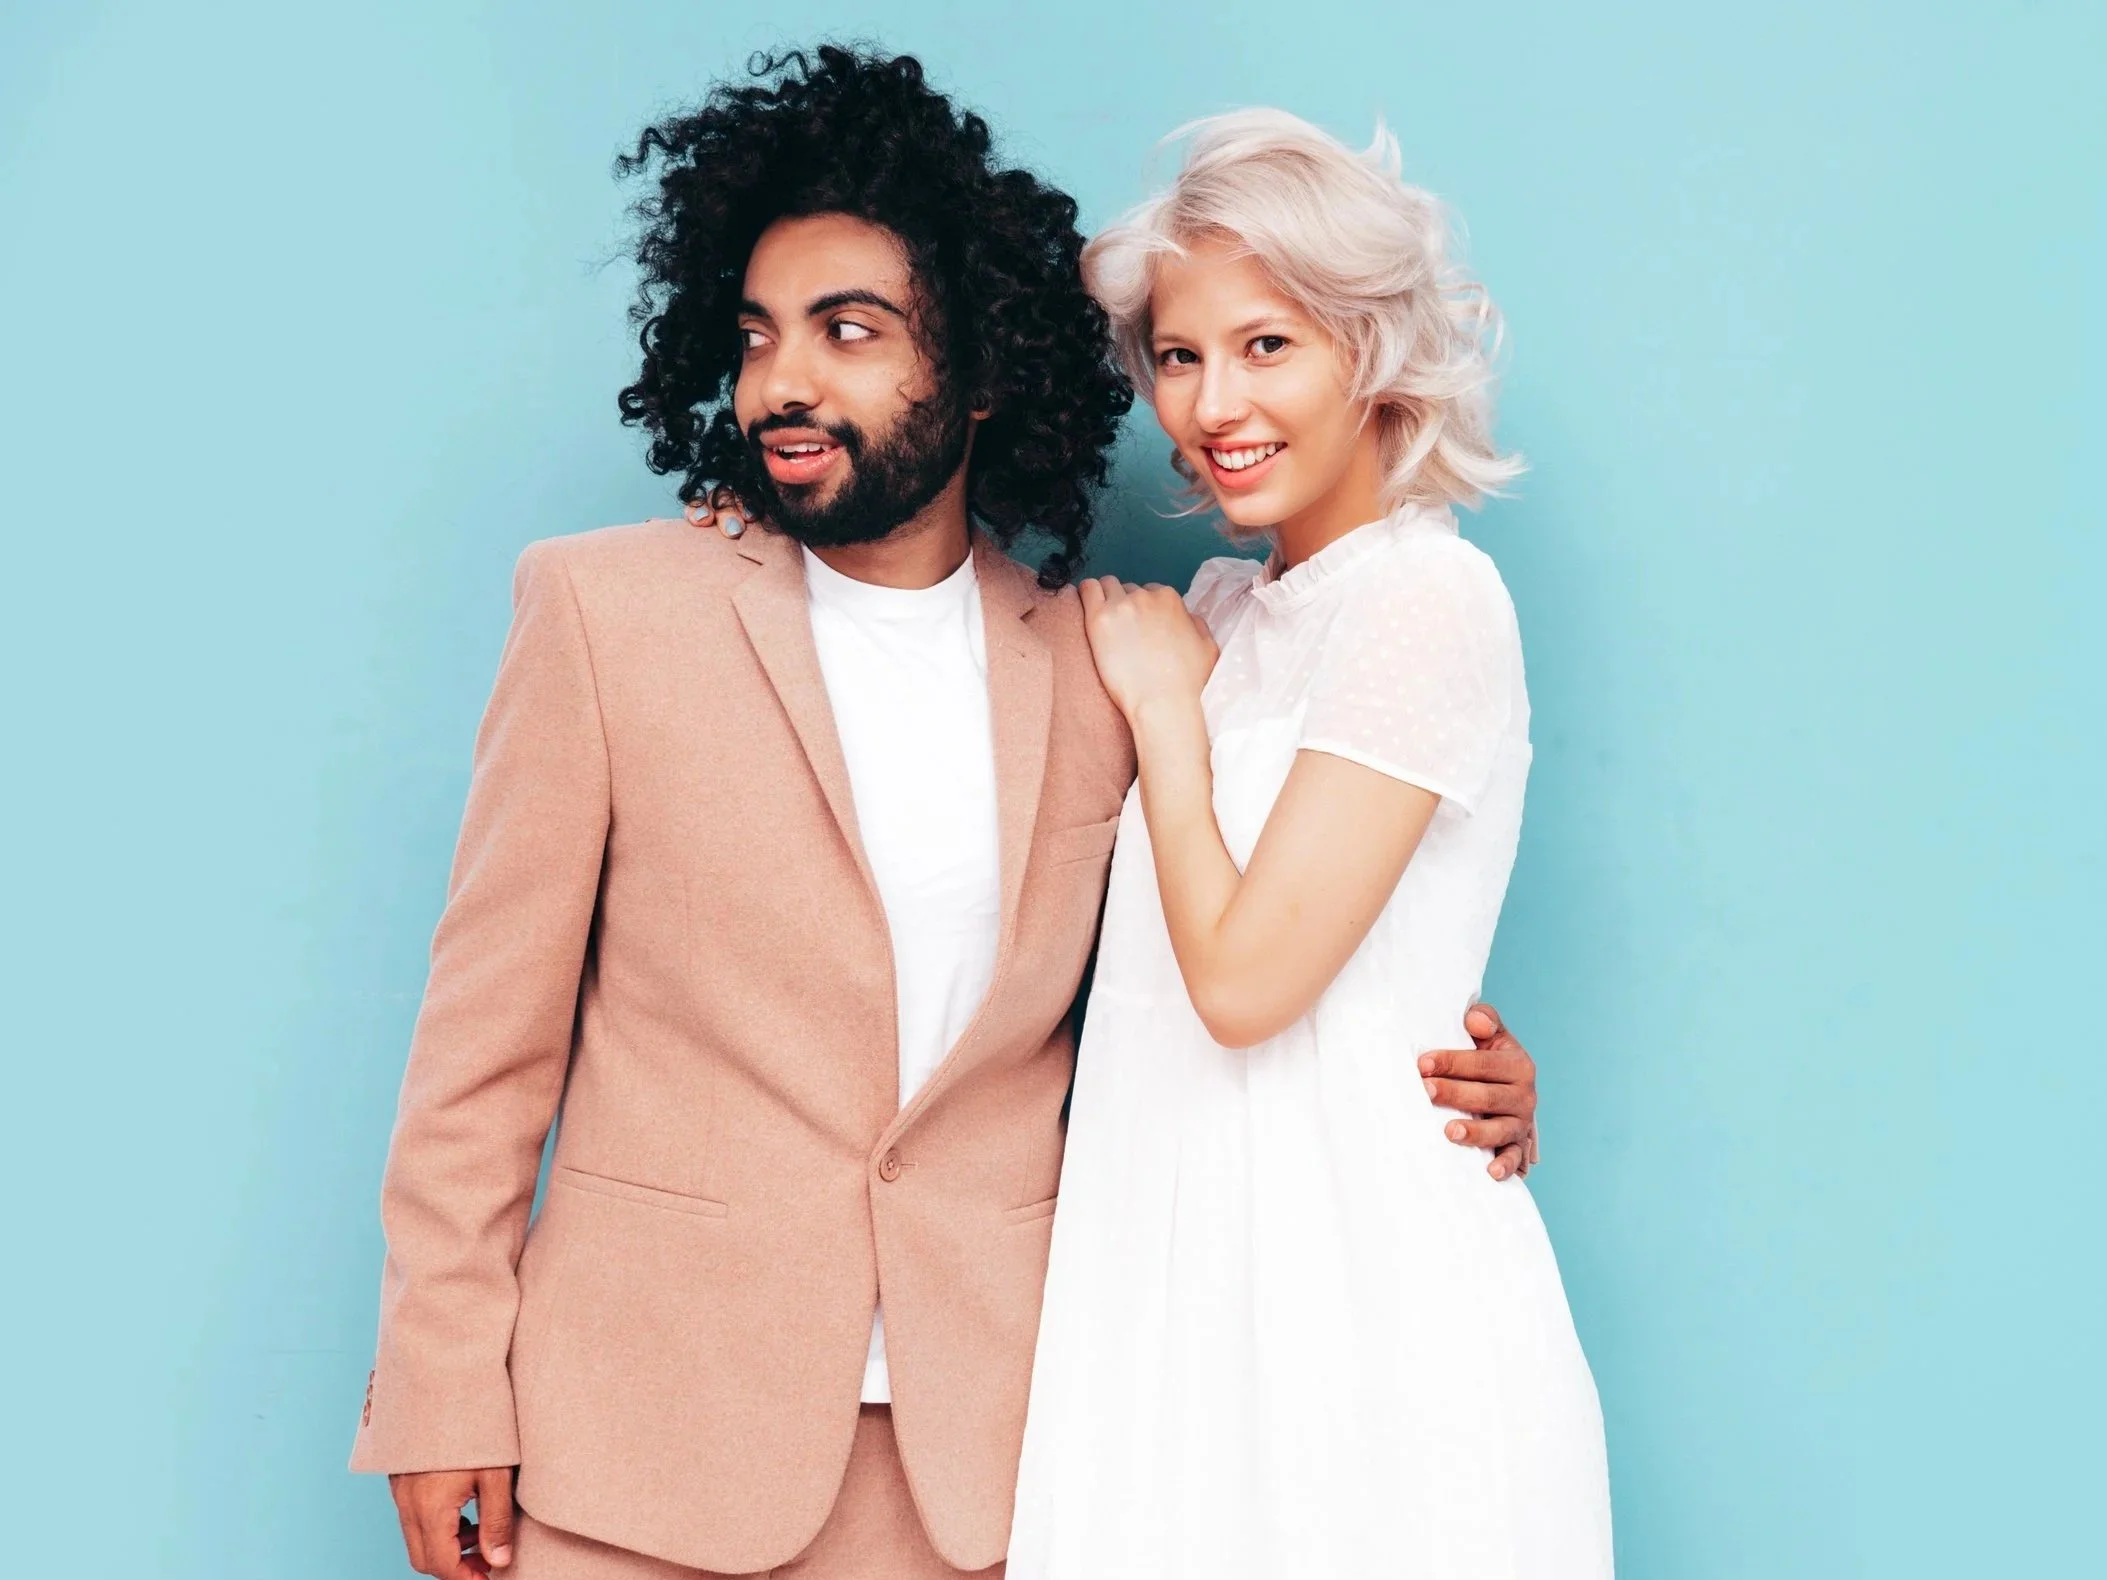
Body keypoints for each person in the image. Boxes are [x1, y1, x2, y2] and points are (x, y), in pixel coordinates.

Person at [353, 50, 1543, 1580]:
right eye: (758, 336)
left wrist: (1455, 1074)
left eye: (850, 333)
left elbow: (1229, 953)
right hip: (639, 1449)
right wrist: (443, 1389)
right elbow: (477, 1058)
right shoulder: (604, 615)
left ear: (977, 370)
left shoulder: (1110, 656)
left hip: (994, 1462)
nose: (786, 382)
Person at [1007, 111, 1613, 1578]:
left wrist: (1165, 717)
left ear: (1371, 352)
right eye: (1177, 355)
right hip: (1172, 1289)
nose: (1213, 401)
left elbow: (1241, 986)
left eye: (1268, 345)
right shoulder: (1215, 613)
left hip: (1358, 1314)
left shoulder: (1425, 602)